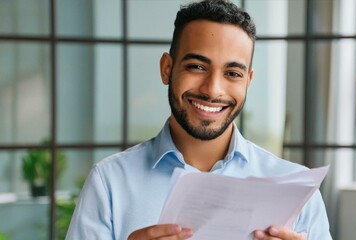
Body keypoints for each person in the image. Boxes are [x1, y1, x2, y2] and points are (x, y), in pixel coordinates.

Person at [65, 0, 332, 239]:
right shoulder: (109, 182)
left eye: (233, 73)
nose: (213, 89)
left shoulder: (298, 192)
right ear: (167, 69)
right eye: (197, 67)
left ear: (248, 82)